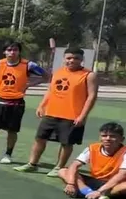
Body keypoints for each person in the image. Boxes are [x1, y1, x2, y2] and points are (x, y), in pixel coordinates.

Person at [15, 47, 99, 177]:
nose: (72, 61)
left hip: (72, 116)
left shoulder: (89, 75)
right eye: (69, 58)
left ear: (82, 59)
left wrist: (82, 116)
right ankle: (32, 164)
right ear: (64, 59)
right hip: (51, 113)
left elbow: (91, 97)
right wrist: (42, 105)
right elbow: (50, 90)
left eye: (76, 58)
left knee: (66, 143)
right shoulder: (58, 72)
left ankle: (59, 167)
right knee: (40, 138)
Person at [0, 41, 46, 164]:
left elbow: (46, 76)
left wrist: (28, 85)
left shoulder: (28, 65)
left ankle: (8, 155)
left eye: (15, 50)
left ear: (19, 52)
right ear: (4, 52)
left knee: (12, 130)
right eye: (9, 50)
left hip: (16, 101)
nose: (12, 52)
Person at [60, 121, 126, 199]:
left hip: (116, 185)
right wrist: (71, 183)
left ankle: (96, 193)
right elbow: (74, 165)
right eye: (104, 136)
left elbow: (123, 174)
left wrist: (100, 191)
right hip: (96, 182)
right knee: (63, 171)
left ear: (122, 139)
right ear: (100, 138)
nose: (107, 139)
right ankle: (88, 192)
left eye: (112, 136)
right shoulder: (92, 148)